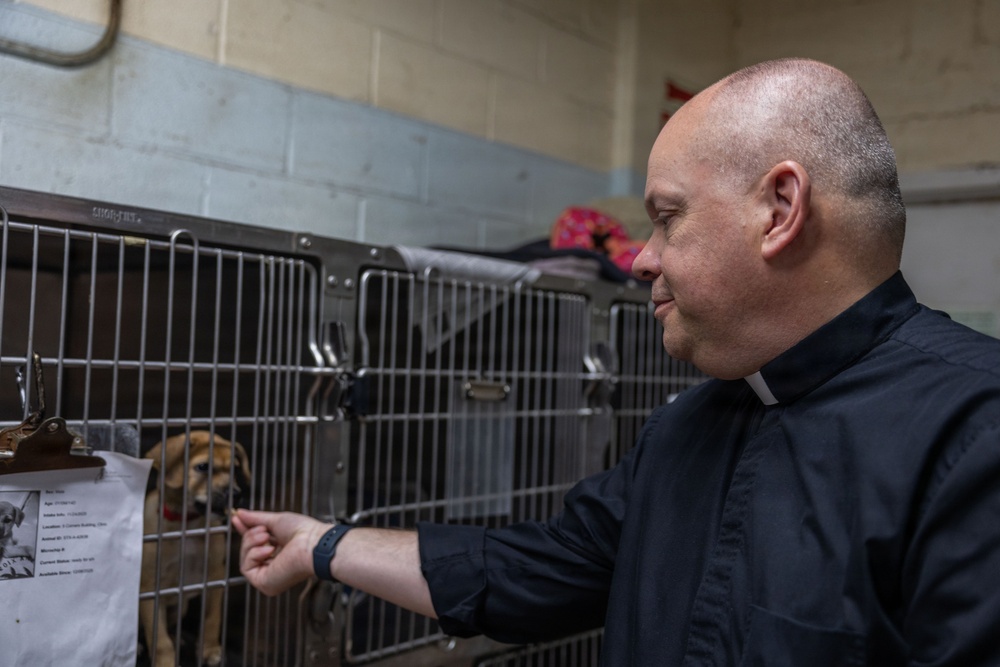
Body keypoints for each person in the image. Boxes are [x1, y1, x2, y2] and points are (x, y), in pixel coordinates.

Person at [233, 58, 1000, 665]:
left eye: (667, 218)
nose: (639, 258)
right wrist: (322, 543)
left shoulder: (974, 431)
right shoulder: (691, 422)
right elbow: (545, 570)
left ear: (779, 209)